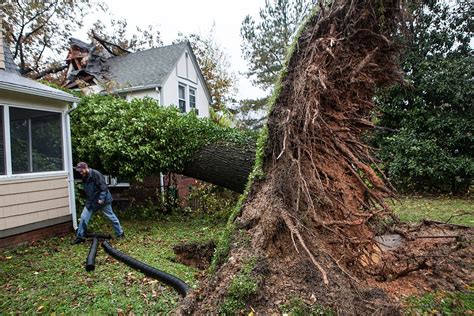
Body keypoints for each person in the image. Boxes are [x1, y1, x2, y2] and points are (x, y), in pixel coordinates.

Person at [71, 162, 124, 244]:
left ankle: (120, 233)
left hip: (103, 201)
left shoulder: (96, 174)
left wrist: (101, 199)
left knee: (111, 217)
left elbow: (104, 188)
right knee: (83, 217)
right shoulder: (84, 177)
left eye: (81, 170)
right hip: (91, 201)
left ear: (86, 168)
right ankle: (80, 237)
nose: (80, 172)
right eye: (79, 171)